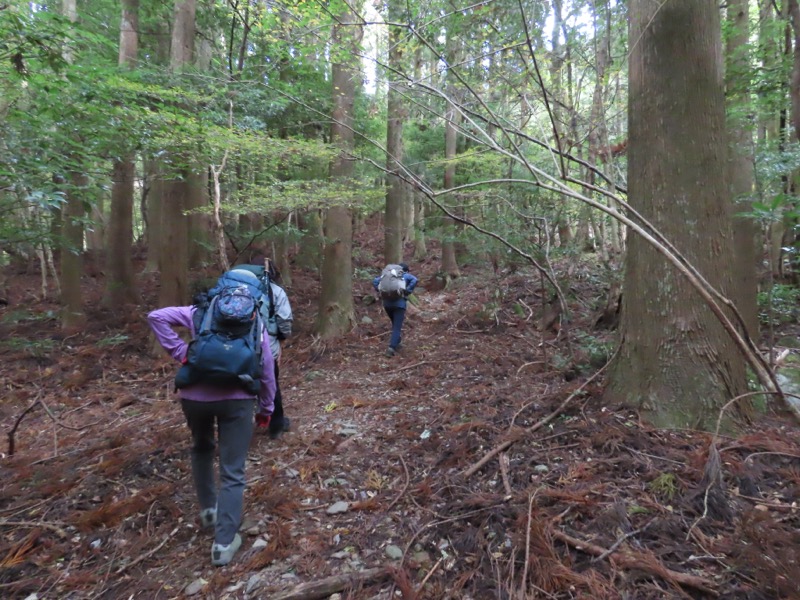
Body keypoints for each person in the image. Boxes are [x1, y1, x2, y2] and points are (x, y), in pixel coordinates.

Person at [148, 297, 276, 567]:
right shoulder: (255, 321)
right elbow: (266, 366)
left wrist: (182, 352)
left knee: (201, 447)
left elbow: (156, 316)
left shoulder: (200, 311)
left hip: (194, 397)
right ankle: (224, 544)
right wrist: (266, 407)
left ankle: (209, 511)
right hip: (237, 400)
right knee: (232, 470)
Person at [263, 260, 293, 439]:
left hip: (232, 346)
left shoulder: (232, 290)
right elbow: (284, 320)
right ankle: (276, 426)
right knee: (271, 384)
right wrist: (282, 338)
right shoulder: (275, 291)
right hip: (267, 346)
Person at [373, 262, 418, 357]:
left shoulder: (387, 275)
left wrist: (380, 291)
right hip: (399, 305)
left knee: (395, 324)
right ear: (406, 270)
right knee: (397, 327)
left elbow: (375, 281)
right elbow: (415, 279)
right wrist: (408, 291)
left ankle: (398, 342)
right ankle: (391, 348)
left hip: (387, 304)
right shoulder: (404, 275)